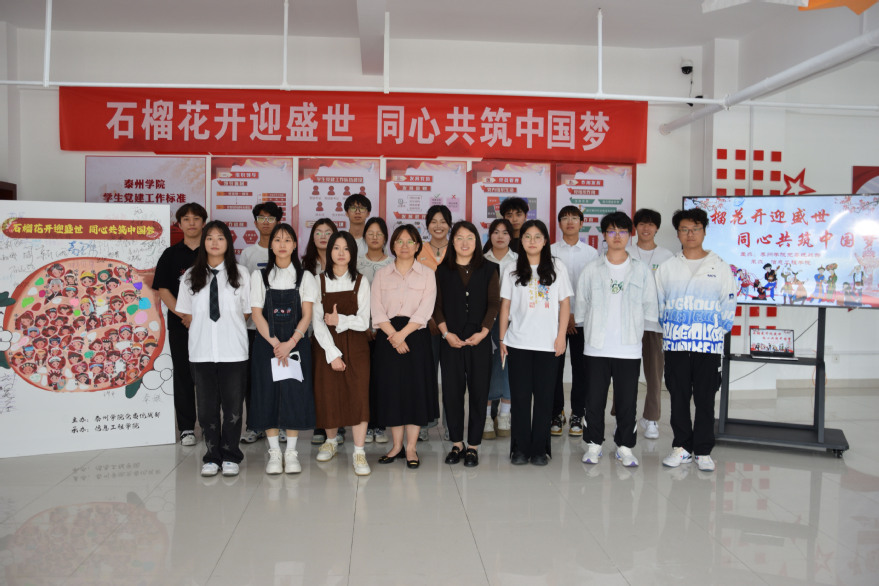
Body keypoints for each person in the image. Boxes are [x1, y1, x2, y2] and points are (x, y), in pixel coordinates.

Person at [656, 208, 736, 473]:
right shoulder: (667, 268)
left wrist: (715, 331)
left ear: (704, 231)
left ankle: (702, 450)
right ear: (678, 233)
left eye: (695, 229)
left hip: (708, 344)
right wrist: (673, 327)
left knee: (705, 397)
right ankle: (681, 447)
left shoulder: (720, 266)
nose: (690, 234)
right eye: (684, 229)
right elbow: (659, 304)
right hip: (676, 343)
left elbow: (728, 304)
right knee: (678, 396)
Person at [576, 212, 658, 468]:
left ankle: (625, 446)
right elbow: (581, 305)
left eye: (622, 231)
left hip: (628, 347)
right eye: (611, 231)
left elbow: (650, 305)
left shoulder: (641, 270)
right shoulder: (591, 269)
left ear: (629, 235)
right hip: (596, 346)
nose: (617, 236)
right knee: (594, 400)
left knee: (627, 400)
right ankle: (594, 444)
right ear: (604, 235)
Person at [175, 220, 251, 477]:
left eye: (220, 237)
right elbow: (185, 313)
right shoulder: (190, 275)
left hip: (233, 351)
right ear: (203, 242)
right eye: (209, 238)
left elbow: (247, 312)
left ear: (228, 242)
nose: (215, 242)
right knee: (207, 409)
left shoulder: (241, 273)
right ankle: (211, 456)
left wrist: (228, 328)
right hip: (202, 351)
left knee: (233, 409)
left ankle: (230, 455)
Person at [499, 220, 572, 466]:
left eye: (537, 236)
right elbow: (505, 306)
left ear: (545, 241)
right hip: (518, 343)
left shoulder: (557, 267)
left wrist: (561, 336)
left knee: (544, 399)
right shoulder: (511, 268)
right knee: (520, 399)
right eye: (527, 236)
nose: (532, 241)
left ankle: (540, 449)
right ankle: (520, 449)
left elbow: (565, 303)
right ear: (521, 241)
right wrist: (502, 339)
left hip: (548, 345)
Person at [249, 222, 317, 475]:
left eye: (287, 240)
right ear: (271, 245)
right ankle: (274, 452)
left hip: (295, 345)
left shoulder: (305, 277)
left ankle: (291, 452)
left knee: (293, 395)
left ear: (295, 245)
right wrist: (276, 343)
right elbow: (256, 314)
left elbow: (307, 315)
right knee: (267, 394)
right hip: (267, 345)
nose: (282, 244)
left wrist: (290, 343)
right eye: (277, 240)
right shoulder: (259, 276)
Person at [371, 224, 439, 469]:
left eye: (410, 241)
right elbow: (377, 310)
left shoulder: (427, 274)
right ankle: (396, 445)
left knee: (414, 392)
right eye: (399, 241)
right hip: (388, 337)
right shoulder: (381, 274)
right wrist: (394, 336)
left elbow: (425, 310)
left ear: (418, 245)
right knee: (393, 392)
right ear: (392, 245)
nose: (404, 246)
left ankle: (411, 448)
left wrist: (403, 335)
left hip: (416, 336)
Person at [434, 221, 500, 467]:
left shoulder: (489, 269)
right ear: (452, 242)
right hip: (450, 341)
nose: (464, 243)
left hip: (479, 341)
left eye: (469, 238)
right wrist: (446, 334)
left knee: (479, 393)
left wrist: (484, 332)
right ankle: (456, 443)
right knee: (452, 394)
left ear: (477, 241)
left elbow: (494, 303)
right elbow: (436, 306)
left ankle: (473, 446)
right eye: (459, 238)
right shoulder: (442, 271)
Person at [311, 232, 372, 476]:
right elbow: (317, 321)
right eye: (336, 247)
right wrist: (332, 353)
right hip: (326, 344)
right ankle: (331, 441)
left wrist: (340, 320)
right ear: (329, 251)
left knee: (359, 396)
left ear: (353, 253)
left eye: (346, 248)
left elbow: (364, 321)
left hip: (356, 345)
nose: (341, 253)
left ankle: (359, 451)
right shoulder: (318, 281)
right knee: (328, 393)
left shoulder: (361, 281)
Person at [153, 202, 207, 447]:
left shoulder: (213, 251)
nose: (191, 223)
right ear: (179, 224)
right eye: (186, 219)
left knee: (208, 376)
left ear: (204, 222)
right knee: (183, 375)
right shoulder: (170, 254)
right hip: (180, 325)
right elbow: (163, 289)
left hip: (209, 325)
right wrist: (184, 314)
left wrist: (199, 317)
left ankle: (208, 425)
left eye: (196, 218)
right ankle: (186, 428)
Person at [624, 208, 674, 440]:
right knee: (625, 374)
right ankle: (623, 417)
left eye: (651, 224)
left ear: (657, 228)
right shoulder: (625, 252)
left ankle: (651, 418)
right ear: (635, 227)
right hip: (628, 322)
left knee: (654, 375)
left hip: (655, 324)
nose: (646, 228)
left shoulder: (667, 256)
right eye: (642, 224)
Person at [549, 206, 597, 438]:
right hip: (554, 321)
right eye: (565, 218)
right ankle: (556, 412)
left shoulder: (591, 253)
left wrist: (575, 315)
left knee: (581, 370)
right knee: (553, 370)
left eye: (574, 218)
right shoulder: (549, 251)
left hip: (582, 321)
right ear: (559, 223)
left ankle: (578, 413)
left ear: (581, 223)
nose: (570, 222)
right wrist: (563, 316)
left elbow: (591, 289)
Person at [239, 201, 284, 445]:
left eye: (271, 218)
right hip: (253, 328)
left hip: (281, 326)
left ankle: (281, 424)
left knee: (281, 377)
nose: (266, 222)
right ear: (255, 222)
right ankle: (254, 425)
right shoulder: (248, 254)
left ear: (278, 221)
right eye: (261, 218)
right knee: (254, 379)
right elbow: (242, 291)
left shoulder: (283, 250)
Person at [301, 218, 345, 446]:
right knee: (319, 380)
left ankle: (340, 425)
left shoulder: (343, 260)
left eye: (328, 232)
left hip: (338, 326)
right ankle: (320, 425)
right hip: (310, 330)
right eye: (318, 232)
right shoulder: (305, 265)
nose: (323, 236)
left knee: (338, 380)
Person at [415, 204, 453, 441]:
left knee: (451, 377)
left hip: (453, 325)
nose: (438, 226)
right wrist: (428, 318)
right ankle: (424, 424)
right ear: (427, 225)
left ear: (449, 225)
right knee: (425, 376)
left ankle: (451, 424)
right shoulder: (418, 250)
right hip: (424, 324)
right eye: (433, 221)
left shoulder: (459, 248)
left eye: (443, 221)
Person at [356, 217, 394, 445]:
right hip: (358, 330)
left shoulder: (393, 264)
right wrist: (364, 326)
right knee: (362, 380)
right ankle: (365, 423)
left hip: (386, 331)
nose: (374, 237)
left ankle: (379, 425)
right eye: (370, 233)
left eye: (379, 233)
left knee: (382, 379)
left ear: (386, 237)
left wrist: (381, 327)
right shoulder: (356, 263)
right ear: (364, 237)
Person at [482, 218, 517, 439]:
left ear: (511, 236)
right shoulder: (481, 260)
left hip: (514, 322)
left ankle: (505, 414)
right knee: (486, 367)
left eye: (505, 232)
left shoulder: (519, 261)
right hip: (486, 322)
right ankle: (486, 416)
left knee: (509, 366)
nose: (500, 236)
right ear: (490, 235)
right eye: (496, 232)